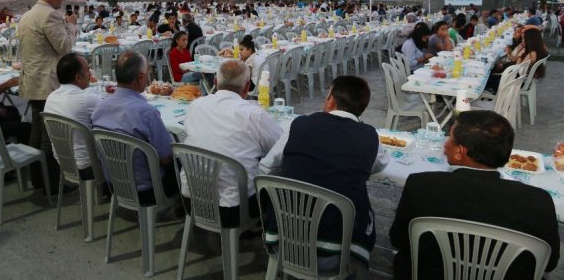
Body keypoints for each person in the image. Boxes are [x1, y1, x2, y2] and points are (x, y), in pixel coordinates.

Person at [389, 111, 560, 279]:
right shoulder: (539, 201)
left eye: (449, 138)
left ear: (460, 152)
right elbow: (549, 262)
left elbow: (398, 239)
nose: (445, 144)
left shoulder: (421, 185)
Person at [264, 76, 388, 277]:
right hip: (338, 255)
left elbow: (267, 167)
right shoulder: (369, 136)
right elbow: (379, 163)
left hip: (282, 240)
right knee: (361, 203)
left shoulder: (300, 125)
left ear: (331, 100)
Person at [181, 59, 283, 227]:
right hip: (234, 210)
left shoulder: (195, 105)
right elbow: (278, 148)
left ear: (215, 82)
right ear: (246, 87)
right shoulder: (253, 114)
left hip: (191, 200)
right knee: (276, 171)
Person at [90, 50, 178, 203]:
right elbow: (165, 159)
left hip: (113, 182)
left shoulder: (99, 107)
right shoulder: (147, 113)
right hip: (147, 189)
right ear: (141, 77)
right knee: (185, 160)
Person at [18, 0, 78, 191]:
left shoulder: (28, 14)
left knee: (37, 130)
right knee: (50, 135)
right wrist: (71, 26)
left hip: (33, 79)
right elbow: (64, 47)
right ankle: (50, 183)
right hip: (46, 82)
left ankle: (38, 179)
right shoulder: (50, 14)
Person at [44, 53, 102, 178]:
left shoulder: (51, 97)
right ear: (78, 77)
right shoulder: (86, 98)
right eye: (88, 70)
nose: (90, 74)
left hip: (63, 162)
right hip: (88, 167)